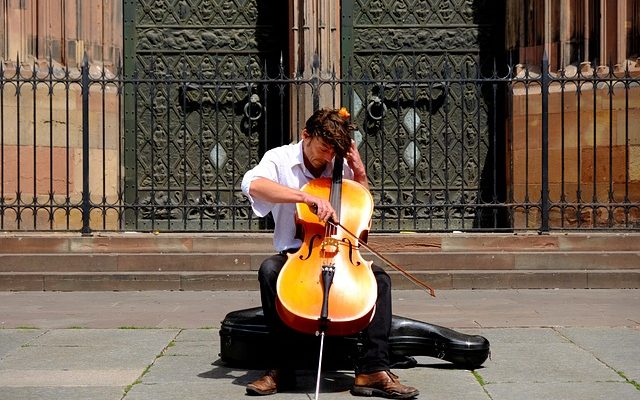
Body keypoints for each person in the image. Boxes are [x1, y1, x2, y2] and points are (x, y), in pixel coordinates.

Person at [240, 108, 419, 399]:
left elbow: (361, 208)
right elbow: (253, 184)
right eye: (323, 149)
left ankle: (373, 369)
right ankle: (281, 369)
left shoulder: (340, 163)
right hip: (297, 253)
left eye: (333, 151)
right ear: (305, 135)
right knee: (269, 271)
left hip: (341, 251)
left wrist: (359, 172)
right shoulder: (279, 158)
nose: (327, 158)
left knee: (380, 280)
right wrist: (305, 196)